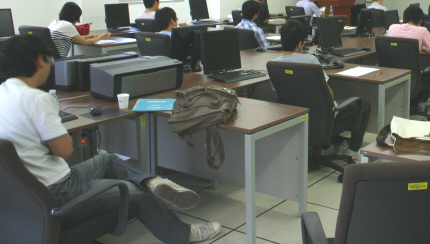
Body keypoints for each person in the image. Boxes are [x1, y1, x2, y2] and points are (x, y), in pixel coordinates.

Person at [0, 35, 221, 243]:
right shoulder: (37, 99)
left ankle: (154, 182)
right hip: (58, 190)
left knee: (108, 160)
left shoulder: (3, 92)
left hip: (25, 194)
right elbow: (65, 150)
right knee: (136, 194)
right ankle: (184, 234)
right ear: (40, 61)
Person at [275, 20, 370, 158]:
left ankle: (336, 143)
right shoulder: (310, 61)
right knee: (363, 105)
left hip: (296, 120)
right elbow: (328, 95)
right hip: (322, 121)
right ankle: (352, 150)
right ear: (301, 43)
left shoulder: (274, 65)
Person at [386, 6, 430, 114]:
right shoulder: (422, 30)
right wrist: (423, 48)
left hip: (391, 75)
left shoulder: (392, 27)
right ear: (420, 20)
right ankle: (416, 103)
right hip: (411, 77)